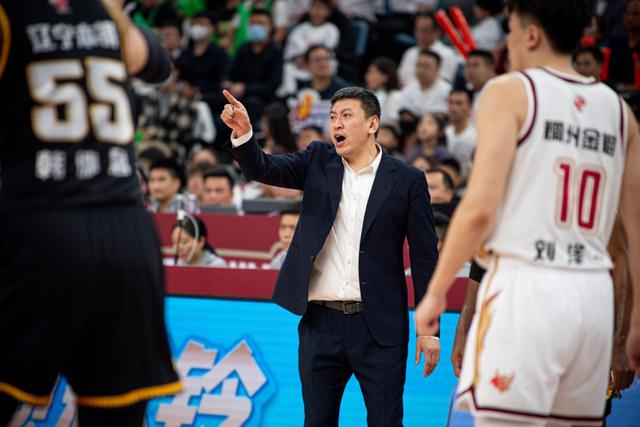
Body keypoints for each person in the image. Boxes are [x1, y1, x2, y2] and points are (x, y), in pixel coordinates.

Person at [415, 0, 640, 425]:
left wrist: (435, 293)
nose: (508, 44)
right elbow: (632, 231)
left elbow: (479, 211)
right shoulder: (619, 111)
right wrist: (635, 323)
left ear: (531, 35)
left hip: (529, 289)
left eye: (512, 32)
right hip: (594, 300)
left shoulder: (510, 92)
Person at [0, 0, 181, 424]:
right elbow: (157, 64)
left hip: (41, 226)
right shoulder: (107, 16)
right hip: (127, 233)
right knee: (115, 412)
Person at [221, 86, 439, 426]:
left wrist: (429, 329)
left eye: (346, 116)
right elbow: (263, 169)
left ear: (372, 124)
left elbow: (425, 258)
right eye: (333, 117)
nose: (336, 123)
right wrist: (245, 134)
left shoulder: (408, 180)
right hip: (321, 324)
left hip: (380, 326)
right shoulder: (318, 161)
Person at [397, 12, 461, 86]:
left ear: (437, 32)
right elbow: (400, 80)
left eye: (426, 31)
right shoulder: (410, 53)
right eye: (418, 30)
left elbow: (443, 84)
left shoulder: (447, 55)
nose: (421, 35)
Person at [397, 50, 451, 117]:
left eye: (426, 66)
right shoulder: (408, 88)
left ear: (438, 68)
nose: (421, 70)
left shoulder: (447, 91)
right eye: (419, 65)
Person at [445, 88, 477, 177]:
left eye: (459, 103)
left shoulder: (476, 137)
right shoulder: (444, 133)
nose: (453, 108)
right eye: (451, 102)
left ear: (469, 108)